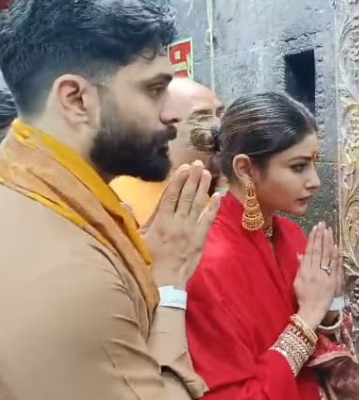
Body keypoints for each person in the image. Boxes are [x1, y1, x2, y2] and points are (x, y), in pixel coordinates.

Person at [0, 0, 220, 399]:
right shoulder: (70, 278)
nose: (172, 114)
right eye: (154, 89)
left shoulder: (34, 192)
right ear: (76, 99)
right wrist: (169, 286)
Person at [186, 92, 359, 400]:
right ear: (245, 169)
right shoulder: (207, 260)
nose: (314, 181)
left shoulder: (292, 235)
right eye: (298, 167)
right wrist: (309, 316)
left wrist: (329, 306)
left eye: (313, 163)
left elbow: (326, 344)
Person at [111, 77, 224, 224]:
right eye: (202, 118)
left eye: (220, 114)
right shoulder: (121, 198)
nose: (221, 127)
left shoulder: (213, 190)